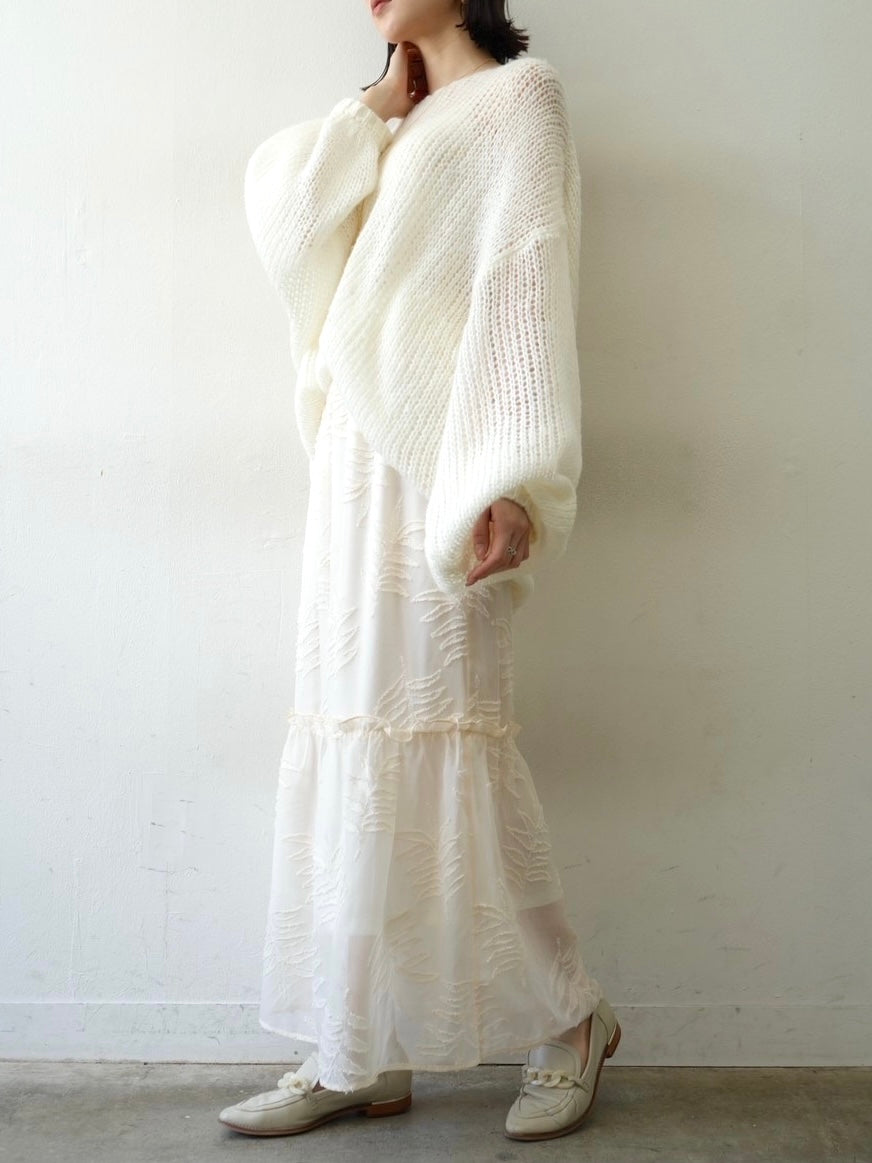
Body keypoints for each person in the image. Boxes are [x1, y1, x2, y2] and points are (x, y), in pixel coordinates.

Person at [219, 0, 621, 1144]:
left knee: (449, 733)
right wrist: (371, 109)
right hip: (354, 469)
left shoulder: (518, 99)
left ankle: (570, 1017)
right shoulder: (394, 121)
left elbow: (526, 282)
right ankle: (358, 1047)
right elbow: (285, 224)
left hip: (445, 468)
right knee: (355, 728)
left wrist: (511, 475)